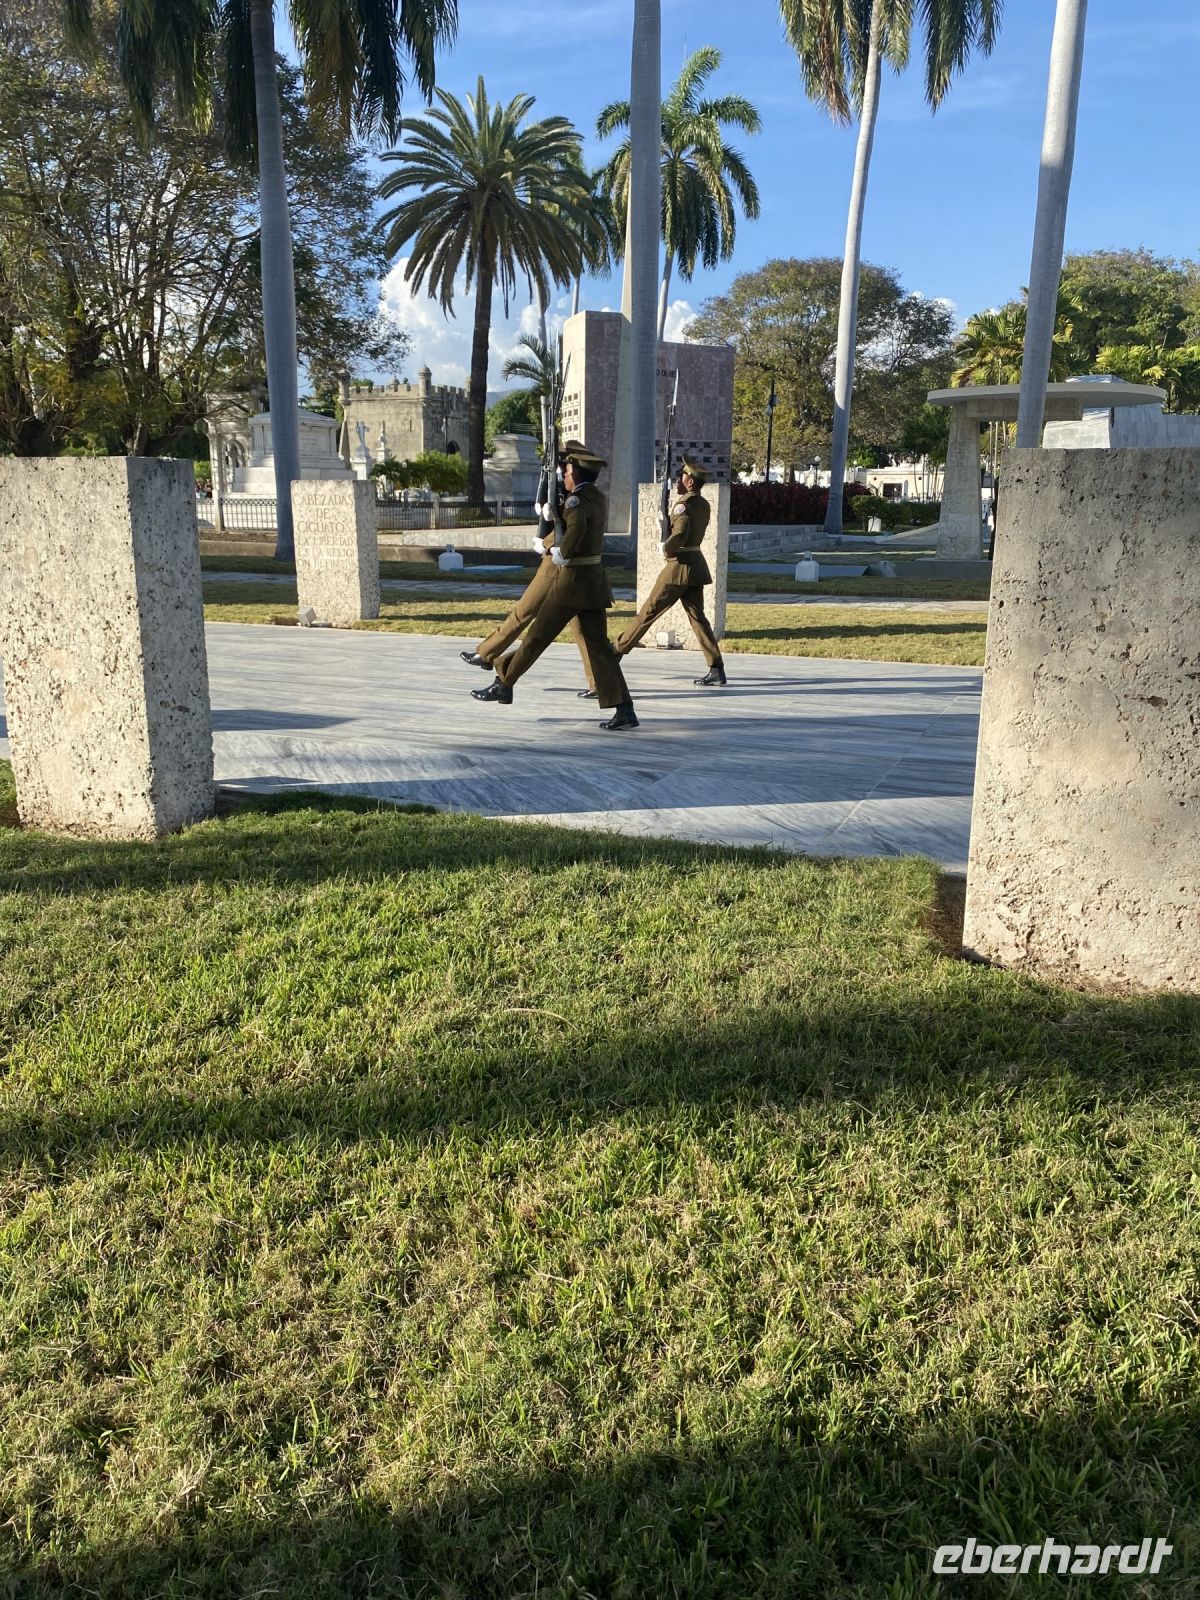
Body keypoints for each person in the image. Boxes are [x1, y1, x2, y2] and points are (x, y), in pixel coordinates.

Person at [471, 442, 638, 731]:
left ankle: (503, 683)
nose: (565, 475)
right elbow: (580, 523)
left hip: (570, 584)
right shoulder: (596, 496)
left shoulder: (575, 502)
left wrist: (555, 550)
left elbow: (576, 531)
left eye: (568, 471)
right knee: (599, 648)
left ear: (576, 474)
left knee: (537, 637)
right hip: (593, 583)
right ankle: (624, 709)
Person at [458, 445, 595, 697]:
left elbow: (571, 529)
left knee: (526, 612)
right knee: (581, 630)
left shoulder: (575, 494)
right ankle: (597, 682)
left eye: (565, 465)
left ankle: (488, 655)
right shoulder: (572, 489)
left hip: (556, 565)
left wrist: (545, 543)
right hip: (568, 568)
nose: (563, 469)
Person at [614, 458, 726, 686]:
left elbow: (681, 534)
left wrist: (666, 545)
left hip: (678, 567)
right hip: (695, 566)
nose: (678, 480)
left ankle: (615, 652)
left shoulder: (683, 506)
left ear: (690, 481)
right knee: (697, 618)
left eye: (682, 476)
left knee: (648, 611)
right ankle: (716, 668)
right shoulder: (702, 504)